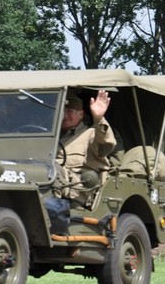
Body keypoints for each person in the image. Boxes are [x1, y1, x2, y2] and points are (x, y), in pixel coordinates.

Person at [45, 90, 117, 234]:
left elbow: (106, 145)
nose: (65, 114)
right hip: (50, 189)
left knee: (51, 169)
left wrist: (99, 118)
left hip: (79, 193)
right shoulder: (48, 137)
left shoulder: (90, 134)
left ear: (81, 114)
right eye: (62, 110)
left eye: (70, 110)